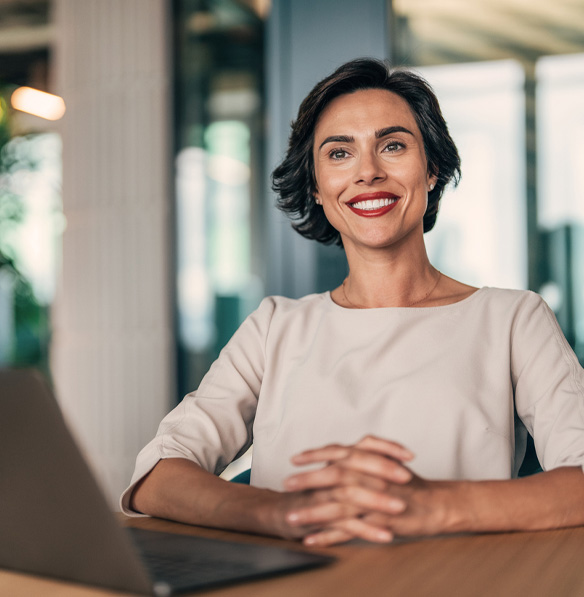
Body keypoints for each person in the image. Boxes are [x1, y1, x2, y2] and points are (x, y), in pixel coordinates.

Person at [121, 58, 584, 547]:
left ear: (431, 170)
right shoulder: (274, 327)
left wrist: (432, 506)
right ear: (318, 188)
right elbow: (157, 474)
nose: (368, 172)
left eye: (393, 146)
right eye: (340, 153)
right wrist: (283, 514)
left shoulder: (513, 319)